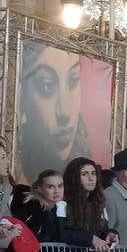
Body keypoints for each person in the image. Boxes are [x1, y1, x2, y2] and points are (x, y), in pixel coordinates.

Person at [16, 43, 92, 180]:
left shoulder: (85, 161)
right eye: (47, 86)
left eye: (73, 81)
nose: (64, 113)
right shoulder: (18, 177)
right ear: (24, 96)